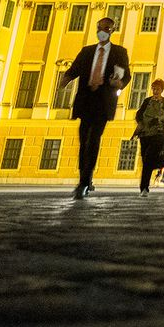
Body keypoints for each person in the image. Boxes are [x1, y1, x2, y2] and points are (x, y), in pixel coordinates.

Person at [62, 15, 132, 199]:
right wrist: (66, 78)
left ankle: (85, 181)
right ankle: (84, 176)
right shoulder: (87, 51)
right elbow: (74, 69)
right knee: (83, 139)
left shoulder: (119, 52)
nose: (103, 31)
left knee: (93, 139)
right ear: (96, 29)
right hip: (86, 100)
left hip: (103, 101)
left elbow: (126, 76)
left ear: (112, 31)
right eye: (101, 28)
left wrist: (119, 83)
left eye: (107, 29)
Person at [134, 78, 164, 194]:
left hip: (158, 134)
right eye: (154, 89)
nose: (155, 91)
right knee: (145, 158)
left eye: (158, 89)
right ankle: (144, 186)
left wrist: (158, 120)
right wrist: (140, 121)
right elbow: (139, 113)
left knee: (149, 157)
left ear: (162, 90)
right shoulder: (147, 101)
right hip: (145, 133)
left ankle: (144, 187)